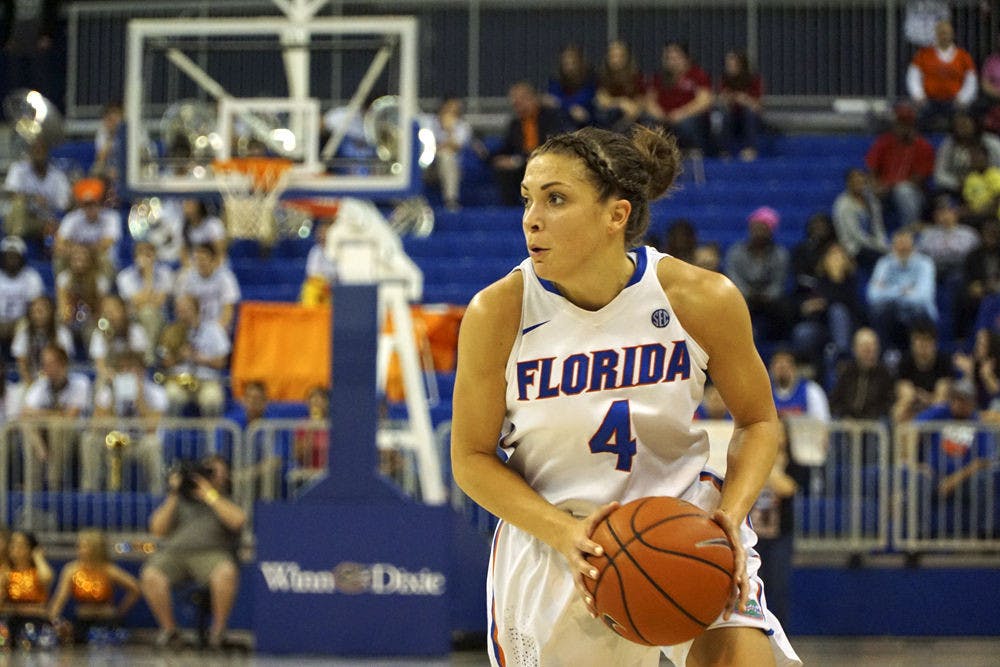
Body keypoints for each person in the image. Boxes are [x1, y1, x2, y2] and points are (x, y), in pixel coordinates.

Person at [450, 125, 800, 666]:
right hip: (558, 546)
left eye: (556, 199)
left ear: (616, 215)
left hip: (684, 529)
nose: (531, 219)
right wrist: (565, 533)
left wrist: (730, 516)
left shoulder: (700, 298)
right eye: (527, 199)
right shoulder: (497, 314)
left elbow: (758, 422)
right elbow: (471, 460)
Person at [140, 454, 245, 650]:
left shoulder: (226, 499)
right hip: (175, 553)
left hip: (212, 553)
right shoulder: (180, 499)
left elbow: (237, 521)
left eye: (215, 472)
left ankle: (218, 633)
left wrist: (210, 495)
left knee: (226, 573)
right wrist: (174, 493)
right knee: (151, 574)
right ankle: (170, 632)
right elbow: (157, 529)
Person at [48, 529, 141, 645]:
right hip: (82, 620)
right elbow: (60, 597)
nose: (80, 550)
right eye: (79, 546)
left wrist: (121, 611)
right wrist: (53, 619)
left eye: (84, 546)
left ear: (96, 548)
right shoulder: (71, 570)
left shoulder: (109, 569)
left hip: (106, 620)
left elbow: (135, 588)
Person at [20, 344, 91, 490]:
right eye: (44, 364)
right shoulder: (40, 385)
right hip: (43, 438)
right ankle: (33, 487)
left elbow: (70, 416)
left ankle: (54, 485)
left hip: (74, 437)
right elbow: (25, 413)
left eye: (51, 363)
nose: (47, 368)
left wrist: (43, 415)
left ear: (64, 364)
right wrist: (54, 415)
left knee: (57, 426)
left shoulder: (80, 383)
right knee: (27, 425)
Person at [723, 206, 792, 343]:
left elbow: (779, 281)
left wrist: (767, 295)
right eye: (756, 227)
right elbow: (733, 277)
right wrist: (748, 294)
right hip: (744, 297)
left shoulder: (780, 254)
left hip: (770, 299)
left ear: (771, 231)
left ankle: (778, 342)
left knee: (784, 308)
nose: (759, 232)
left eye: (763, 228)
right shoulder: (736, 252)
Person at [491, 82, 567, 206]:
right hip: (522, 167)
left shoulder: (550, 117)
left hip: (547, 163)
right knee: (504, 170)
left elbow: (554, 143)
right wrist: (492, 157)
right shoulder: (515, 124)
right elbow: (507, 147)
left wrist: (517, 160)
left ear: (532, 98)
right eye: (514, 101)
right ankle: (510, 212)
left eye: (520, 100)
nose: (516, 104)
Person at [865, 103, 935, 232]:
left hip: (914, 194)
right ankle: (877, 234)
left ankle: (909, 232)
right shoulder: (884, 141)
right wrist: (875, 185)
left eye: (907, 123)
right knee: (867, 190)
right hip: (885, 191)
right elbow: (871, 169)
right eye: (900, 123)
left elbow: (919, 179)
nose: (903, 127)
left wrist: (889, 186)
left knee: (903, 190)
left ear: (913, 125)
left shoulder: (923, 146)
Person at [865, 229, 937, 353]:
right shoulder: (884, 263)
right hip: (892, 314)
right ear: (893, 246)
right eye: (899, 244)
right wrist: (902, 290)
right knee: (879, 310)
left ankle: (915, 357)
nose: (903, 247)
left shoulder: (925, 263)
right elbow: (873, 296)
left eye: (906, 244)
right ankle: (886, 356)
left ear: (913, 245)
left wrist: (887, 290)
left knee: (917, 309)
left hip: (919, 315)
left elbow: (922, 298)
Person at [159, 294, 230, 418]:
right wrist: (180, 357)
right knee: (171, 396)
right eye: (179, 310)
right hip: (179, 380)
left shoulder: (213, 330)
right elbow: (165, 362)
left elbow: (222, 362)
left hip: (207, 380)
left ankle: (211, 435)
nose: (182, 314)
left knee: (212, 399)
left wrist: (200, 359)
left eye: (186, 310)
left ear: (196, 310)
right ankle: (170, 434)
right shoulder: (170, 331)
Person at [906, 19, 978, 132]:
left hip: (954, 101)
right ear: (936, 34)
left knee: (963, 119)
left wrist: (963, 99)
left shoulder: (964, 56)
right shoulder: (923, 54)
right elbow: (913, 77)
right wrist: (918, 96)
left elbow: (971, 81)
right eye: (941, 33)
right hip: (929, 101)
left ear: (952, 35)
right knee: (918, 118)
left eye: (946, 33)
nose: (944, 36)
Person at [645, 41, 713, 153]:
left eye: (676, 58)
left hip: (686, 116)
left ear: (686, 59)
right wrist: (658, 113)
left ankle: (692, 152)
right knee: (647, 119)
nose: (672, 62)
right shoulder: (659, 78)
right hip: (664, 117)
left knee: (686, 124)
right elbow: (649, 100)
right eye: (669, 58)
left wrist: (681, 113)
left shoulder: (697, 75)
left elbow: (704, 101)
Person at [2, 139, 70, 248]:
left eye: (41, 150)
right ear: (30, 152)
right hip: (21, 217)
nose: (38, 154)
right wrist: (32, 198)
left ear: (47, 152)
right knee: (18, 204)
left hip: (44, 220)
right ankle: (14, 245)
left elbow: (63, 205)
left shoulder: (57, 176)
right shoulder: (19, 169)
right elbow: (8, 193)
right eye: (35, 150)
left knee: (58, 224)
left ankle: (47, 252)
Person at [54, 177, 121, 277]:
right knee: (60, 256)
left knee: (102, 256)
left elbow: (107, 243)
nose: (91, 208)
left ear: (100, 203)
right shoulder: (72, 218)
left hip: (99, 259)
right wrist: (77, 252)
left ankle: (103, 288)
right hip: (77, 256)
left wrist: (83, 251)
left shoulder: (112, 217)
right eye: (87, 205)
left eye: (94, 203)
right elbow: (59, 243)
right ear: (81, 205)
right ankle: (63, 286)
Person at [116, 240, 174, 348]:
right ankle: (151, 356)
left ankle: (151, 355)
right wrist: (148, 275)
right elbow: (136, 302)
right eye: (141, 253)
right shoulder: (124, 276)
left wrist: (149, 273)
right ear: (135, 257)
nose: (145, 258)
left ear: (155, 256)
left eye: (148, 254)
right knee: (147, 312)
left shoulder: (166, 273)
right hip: (134, 317)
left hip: (161, 316)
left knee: (149, 312)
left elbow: (159, 302)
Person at [0, 531, 54, 647]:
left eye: (21, 545)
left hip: (37, 622)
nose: (16, 549)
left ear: (31, 548)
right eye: (13, 545)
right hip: (11, 620)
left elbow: (47, 578)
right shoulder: (6, 572)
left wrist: (38, 557)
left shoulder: (37, 572)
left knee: (31, 635)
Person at [829, 327, 896, 420]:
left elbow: (888, 403)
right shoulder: (847, 372)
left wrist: (869, 418)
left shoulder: (884, 374)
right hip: (848, 421)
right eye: (864, 347)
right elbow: (835, 401)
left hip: (873, 421)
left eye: (873, 347)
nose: (869, 352)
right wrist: (845, 416)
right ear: (855, 349)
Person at [173, 243, 241, 332]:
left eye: (203, 259)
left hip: (218, 326)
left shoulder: (226, 278)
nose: (199, 263)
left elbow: (228, 312)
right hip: (195, 325)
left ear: (213, 261)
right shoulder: (189, 277)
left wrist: (215, 330)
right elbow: (184, 306)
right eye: (196, 259)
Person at [832, 168, 889, 274]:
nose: (860, 185)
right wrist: (879, 247)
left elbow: (878, 226)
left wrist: (883, 243)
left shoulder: (872, 201)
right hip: (853, 247)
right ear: (848, 183)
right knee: (883, 259)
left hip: (872, 243)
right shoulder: (843, 205)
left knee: (892, 255)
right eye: (856, 182)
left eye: (862, 182)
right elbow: (856, 235)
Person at [423, 96, 474, 211]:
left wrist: (449, 130)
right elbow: (423, 145)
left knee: (446, 156)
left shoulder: (463, 126)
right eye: (450, 108)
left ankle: (451, 201)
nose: (452, 112)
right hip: (426, 166)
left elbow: (455, 147)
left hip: (450, 168)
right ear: (442, 107)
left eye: (456, 110)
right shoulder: (428, 121)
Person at [932, 112, 1000, 196]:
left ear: (974, 124)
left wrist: (985, 180)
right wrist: (957, 183)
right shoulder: (948, 145)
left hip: (990, 186)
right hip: (957, 189)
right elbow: (939, 175)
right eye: (958, 125)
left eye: (965, 124)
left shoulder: (992, 143)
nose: (962, 128)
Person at [11, 294, 74, 384]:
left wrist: (55, 384)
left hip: (56, 381)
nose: (37, 316)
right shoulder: (24, 333)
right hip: (31, 381)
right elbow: (22, 364)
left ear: (50, 312)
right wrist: (31, 385)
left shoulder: (62, 333)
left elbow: (65, 362)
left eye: (41, 311)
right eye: (34, 312)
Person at [0, 235, 44, 361]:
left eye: (15, 256)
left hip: (22, 320)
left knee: (26, 326)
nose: (11, 259)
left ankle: (26, 364)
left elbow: (36, 306)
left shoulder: (31, 277)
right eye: (8, 256)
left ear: (21, 257)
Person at [716, 50, 764, 161]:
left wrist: (744, 99)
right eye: (728, 65)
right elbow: (721, 100)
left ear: (741, 65)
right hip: (732, 119)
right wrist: (728, 99)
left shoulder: (754, 80)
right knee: (723, 115)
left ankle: (750, 149)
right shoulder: (724, 79)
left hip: (749, 120)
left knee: (749, 113)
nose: (729, 67)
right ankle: (724, 151)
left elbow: (758, 107)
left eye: (733, 65)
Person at [593, 39, 646, 133]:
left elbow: (639, 105)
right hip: (611, 114)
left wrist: (623, 124)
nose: (616, 60)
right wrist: (621, 102)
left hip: (630, 119)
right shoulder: (603, 77)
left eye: (619, 56)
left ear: (627, 58)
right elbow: (602, 100)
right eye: (612, 56)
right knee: (602, 114)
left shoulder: (636, 77)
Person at [545, 44, 596, 130]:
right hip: (562, 122)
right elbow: (552, 100)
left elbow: (583, 101)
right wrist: (569, 107)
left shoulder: (590, 80)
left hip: (587, 122)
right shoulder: (556, 81)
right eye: (566, 64)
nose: (570, 68)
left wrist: (561, 103)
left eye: (573, 63)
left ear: (580, 63)